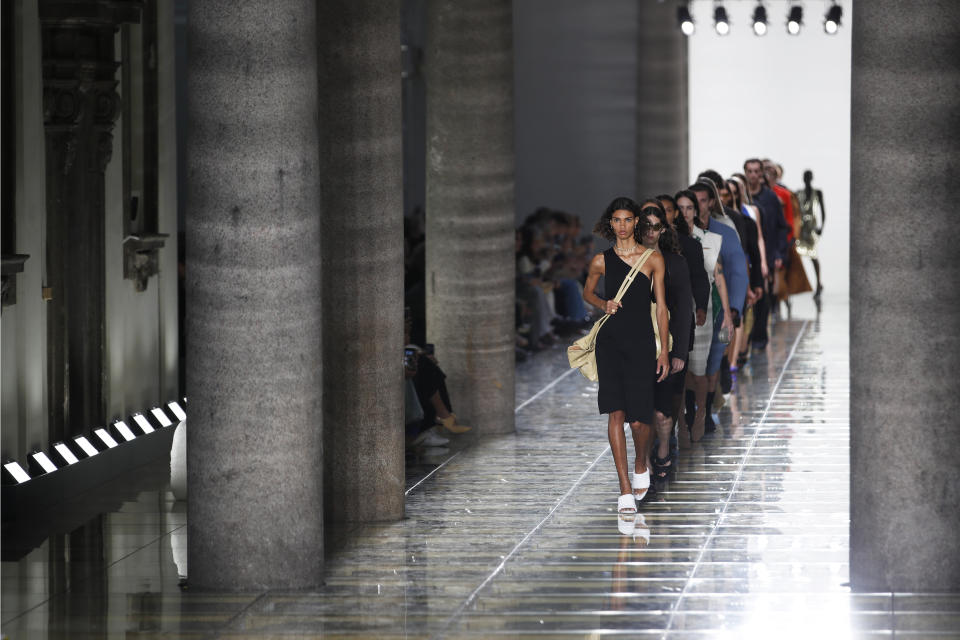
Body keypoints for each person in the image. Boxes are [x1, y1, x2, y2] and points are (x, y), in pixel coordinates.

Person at [582, 197, 669, 514]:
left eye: (627, 219)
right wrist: (602, 303)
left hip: (643, 343)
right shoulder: (601, 261)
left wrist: (665, 351)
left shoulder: (653, 259)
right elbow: (587, 292)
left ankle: (640, 462)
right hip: (611, 343)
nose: (622, 225)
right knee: (615, 413)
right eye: (616, 220)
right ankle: (624, 488)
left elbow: (661, 306)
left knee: (638, 420)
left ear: (636, 223)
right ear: (610, 223)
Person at [673, 190, 731, 444]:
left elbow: (718, 277)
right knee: (679, 366)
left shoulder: (711, 239)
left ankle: (699, 414)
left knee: (697, 369)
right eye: (680, 208)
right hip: (675, 307)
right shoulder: (669, 240)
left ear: (696, 211)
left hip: (702, 307)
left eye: (689, 207)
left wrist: (727, 314)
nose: (685, 212)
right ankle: (683, 418)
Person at [641, 201, 692, 480]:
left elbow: (684, 308)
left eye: (655, 227)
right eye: (645, 226)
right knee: (641, 412)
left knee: (660, 411)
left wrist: (679, 351)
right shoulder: (629, 261)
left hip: (666, 345)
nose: (650, 232)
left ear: (663, 230)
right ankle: (644, 461)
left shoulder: (676, 263)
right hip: (637, 346)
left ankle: (662, 450)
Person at [690, 180, 745, 431]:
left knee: (713, 359)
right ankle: (693, 410)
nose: (698, 206)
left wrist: (733, 309)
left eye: (703, 200)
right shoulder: (679, 234)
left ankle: (705, 410)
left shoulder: (725, 232)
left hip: (719, 309)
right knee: (690, 361)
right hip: (688, 308)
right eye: (694, 201)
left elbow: (736, 272)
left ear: (711, 202)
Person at [743, 158, 788, 350]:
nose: (753, 175)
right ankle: (746, 338)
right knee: (747, 295)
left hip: (766, 254)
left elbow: (781, 226)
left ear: (761, 174)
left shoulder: (770, 198)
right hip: (747, 253)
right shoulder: (742, 197)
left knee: (763, 294)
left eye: (756, 171)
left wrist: (778, 253)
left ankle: (759, 336)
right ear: (745, 173)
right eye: (749, 171)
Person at [794, 169, 826, 307]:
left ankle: (818, 283)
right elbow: (795, 211)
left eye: (809, 177)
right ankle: (795, 285)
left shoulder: (817, 193)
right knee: (797, 256)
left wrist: (821, 228)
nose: (807, 179)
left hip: (811, 229)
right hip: (800, 229)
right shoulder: (798, 193)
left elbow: (823, 211)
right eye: (805, 177)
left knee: (813, 257)